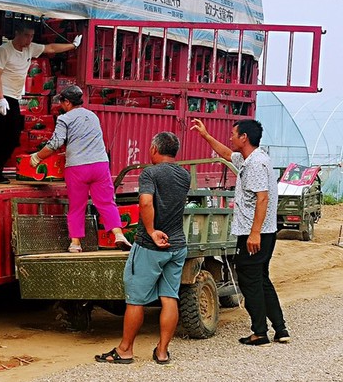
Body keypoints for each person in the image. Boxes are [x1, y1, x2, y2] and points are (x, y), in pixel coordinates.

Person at [95, 131, 191, 365]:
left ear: (154, 149)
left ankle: (125, 350)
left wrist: (150, 231)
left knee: (136, 300)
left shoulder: (150, 173)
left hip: (150, 247)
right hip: (177, 245)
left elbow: (146, 201)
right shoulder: (185, 175)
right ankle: (162, 351)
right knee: (170, 297)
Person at [191, 118, 289, 345]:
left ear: (244, 137)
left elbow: (262, 198)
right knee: (262, 279)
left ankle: (260, 332)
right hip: (264, 232)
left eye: (233, 134)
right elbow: (226, 153)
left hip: (256, 233)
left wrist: (254, 233)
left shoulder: (255, 164)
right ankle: (281, 329)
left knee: (249, 281)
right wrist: (206, 136)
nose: (230, 137)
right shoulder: (253, 158)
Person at [30, 84, 131, 252]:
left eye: (61, 102)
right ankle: (119, 234)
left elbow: (55, 143)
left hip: (77, 168)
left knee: (77, 206)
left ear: (67, 102)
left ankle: (75, 243)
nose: (61, 106)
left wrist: (37, 157)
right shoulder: (92, 116)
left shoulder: (65, 118)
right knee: (106, 202)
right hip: (100, 165)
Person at [0, 24, 80, 183]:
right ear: (17, 33)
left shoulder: (30, 48)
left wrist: (73, 45)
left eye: (32, 36)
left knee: (13, 137)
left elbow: (51, 48)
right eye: (26, 35)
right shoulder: (4, 50)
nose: (29, 39)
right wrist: (0, 99)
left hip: (13, 98)